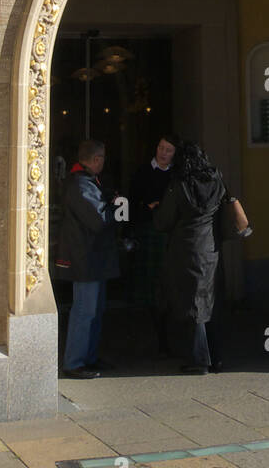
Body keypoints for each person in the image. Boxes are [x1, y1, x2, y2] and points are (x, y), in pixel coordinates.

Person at [153, 140, 228, 375]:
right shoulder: (217, 181)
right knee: (210, 302)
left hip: (186, 250)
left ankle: (198, 360)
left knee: (192, 304)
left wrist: (156, 209)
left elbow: (164, 221)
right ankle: (216, 358)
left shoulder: (179, 185)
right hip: (211, 249)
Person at [54, 139, 119, 380]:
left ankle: (88, 357)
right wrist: (112, 208)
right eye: (101, 157)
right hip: (85, 258)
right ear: (95, 160)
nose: (103, 161)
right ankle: (74, 361)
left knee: (95, 309)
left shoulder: (86, 182)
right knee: (84, 310)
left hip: (91, 258)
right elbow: (98, 219)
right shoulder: (81, 184)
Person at [128, 134, 177, 353]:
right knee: (149, 287)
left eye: (168, 150)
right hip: (148, 230)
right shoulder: (142, 172)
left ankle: (168, 334)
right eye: (160, 147)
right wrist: (146, 209)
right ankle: (152, 333)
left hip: (169, 234)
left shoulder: (177, 175)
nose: (163, 153)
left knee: (168, 285)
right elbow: (132, 200)